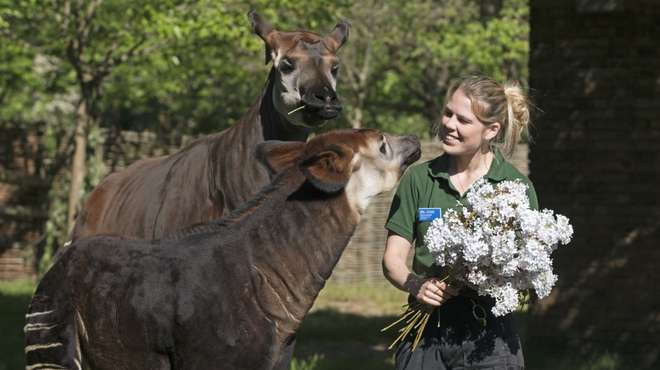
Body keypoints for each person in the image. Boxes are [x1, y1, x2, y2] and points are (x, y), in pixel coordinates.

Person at [382, 75, 538, 370]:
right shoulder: (418, 179)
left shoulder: (515, 189)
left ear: (491, 130)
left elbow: (524, 275)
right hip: (425, 336)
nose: (449, 124)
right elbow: (392, 259)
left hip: (490, 342)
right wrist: (416, 285)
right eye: (447, 113)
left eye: (463, 120)